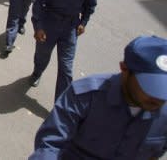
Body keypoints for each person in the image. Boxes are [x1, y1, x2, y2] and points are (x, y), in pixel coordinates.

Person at [30, 36, 167, 160]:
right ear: (124, 69)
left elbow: (155, 154)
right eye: (151, 86)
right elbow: (49, 145)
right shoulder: (86, 96)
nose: (160, 97)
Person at [29, 0, 99, 100]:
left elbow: (90, 4)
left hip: (70, 28)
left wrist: (84, 22)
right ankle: (37, 72)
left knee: (66, 69)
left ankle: (60, 106)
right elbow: (39, 3)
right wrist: (38, 27)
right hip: (49, 24)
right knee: (42, 56)